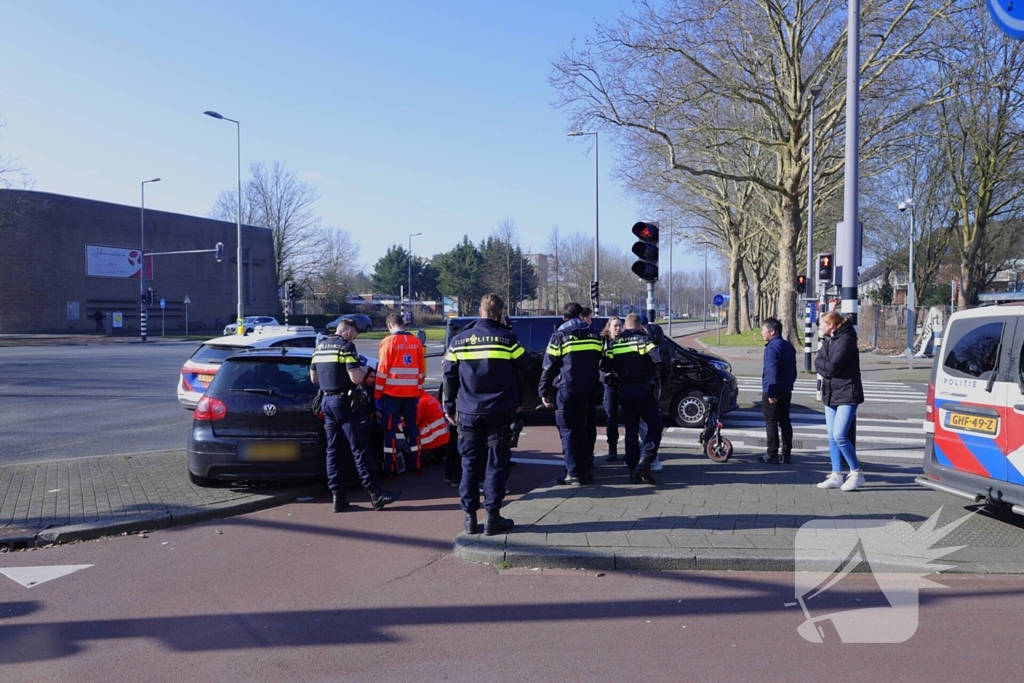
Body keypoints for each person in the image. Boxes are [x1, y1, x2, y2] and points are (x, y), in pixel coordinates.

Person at [442, 293, 530, 536]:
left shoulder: (458, 341)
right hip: (499, 411)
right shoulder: (507, 339)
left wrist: (448, 406)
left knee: (469, 464)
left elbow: (448, 376)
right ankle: (492, 517)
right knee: (495, 465)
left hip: (468, 411)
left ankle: (469, 518)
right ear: (500, 314)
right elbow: (526, 364)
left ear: (480, 311)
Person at [311, 318, 401, 512]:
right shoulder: (346, 347)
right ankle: (375, 494)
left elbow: (314, 378)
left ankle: (337, 497)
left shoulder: (319, 348)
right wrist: (364, 369)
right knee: (360, 449)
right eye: (355, 336)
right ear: (349, 333)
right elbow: (356, 378)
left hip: (326, 402)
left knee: (332, 451)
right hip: (345, 404)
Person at [539, 302, 603, 486]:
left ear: (564, 317)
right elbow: (601, 359)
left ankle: (572, 473)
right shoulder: (594, 333)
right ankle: (586, 471)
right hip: (589, 389)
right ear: (580, 315)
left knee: (568, 431)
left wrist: (543, 390)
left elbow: (548, 365)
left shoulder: (560, 334)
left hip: (567, 389)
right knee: (583, 430)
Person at [603, 313, 663, 485]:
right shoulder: (642, 341)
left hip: (625, 391)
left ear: (625, 326)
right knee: (655, 426)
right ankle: (645, 460)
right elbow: (658, 356)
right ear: (638, 327)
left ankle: (633, 470)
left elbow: (606, 365)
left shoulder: (615, 344)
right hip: (643, 390)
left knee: (631, 431)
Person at [814, 310, 865, 491]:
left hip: (847, 393)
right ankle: (836, 474)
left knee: (839, 435)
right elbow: (818, 361)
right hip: (831, 392)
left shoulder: (846, 341)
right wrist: (825, 367)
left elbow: (833, 366)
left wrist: (825, 367)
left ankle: (856, 472)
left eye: (822, 323)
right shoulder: (829, 340)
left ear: (832, 325)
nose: (819, 326)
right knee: (831, 436)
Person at [375, 312, 427, 475]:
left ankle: (389, 467)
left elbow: (383, 370)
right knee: (412, 429)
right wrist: (417, 388)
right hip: (411, 394)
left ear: (390, 326)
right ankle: (416, 464)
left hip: (392, 394)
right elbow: (421, 370)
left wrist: (377, 394)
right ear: (402, 324)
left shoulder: (388, 341)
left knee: (389, 430)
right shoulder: (416, 341)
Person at [759, 317, 797, 464]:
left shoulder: (772, 348)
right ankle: (787, 453)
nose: (762, 332)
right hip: (786, 389)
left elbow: (772, 372)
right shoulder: (788, 346)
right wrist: (789, 384)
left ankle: (772, 453)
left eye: (764, 330)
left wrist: (771, 392)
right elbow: (793, 371)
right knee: (785, 421)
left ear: (772, 332)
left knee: (771, 422)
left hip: (773, 390)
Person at [599, 317, 623, 462]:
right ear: (608, 327)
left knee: (629, 415)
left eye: (620, 326)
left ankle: (631, 448)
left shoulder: (626, 340)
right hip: (609, 383)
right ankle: (612, 448)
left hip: (624, 381)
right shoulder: (602, 341)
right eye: (615, 326)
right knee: (611, 417)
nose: (618, 329)